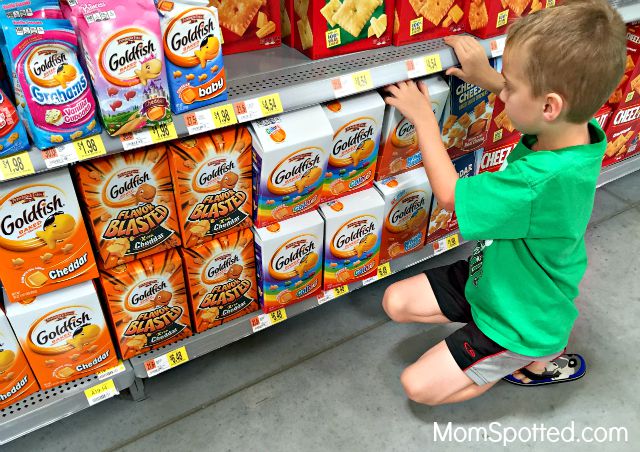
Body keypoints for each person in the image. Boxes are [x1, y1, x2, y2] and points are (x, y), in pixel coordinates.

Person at [382, 0, 626, 405]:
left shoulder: (537, 182)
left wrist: (424, 118)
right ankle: (518, 342)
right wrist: (491, 78)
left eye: (510, 86)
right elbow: (540, 109)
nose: (504, 91)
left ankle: (529, 357)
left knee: (417, 387)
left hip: (519, 318)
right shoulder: (579, 133)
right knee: (395, 301)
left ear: (549, 106)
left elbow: (449, 196)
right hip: (495, 277)